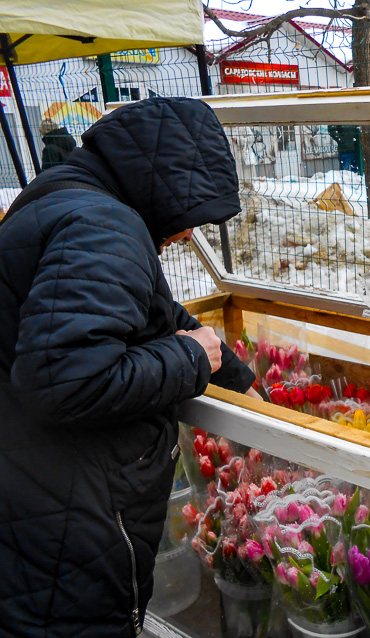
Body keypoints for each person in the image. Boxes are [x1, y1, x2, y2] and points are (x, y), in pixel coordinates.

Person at [0, 97, 260, 637]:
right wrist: (191, 359)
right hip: (69, 531)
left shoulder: (68, 196)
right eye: (191, 217)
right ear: (167, 187)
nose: (188, 235)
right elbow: (63, 381)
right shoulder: (106, 227)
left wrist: (241, 381)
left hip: (32, 495)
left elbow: (156, 313)